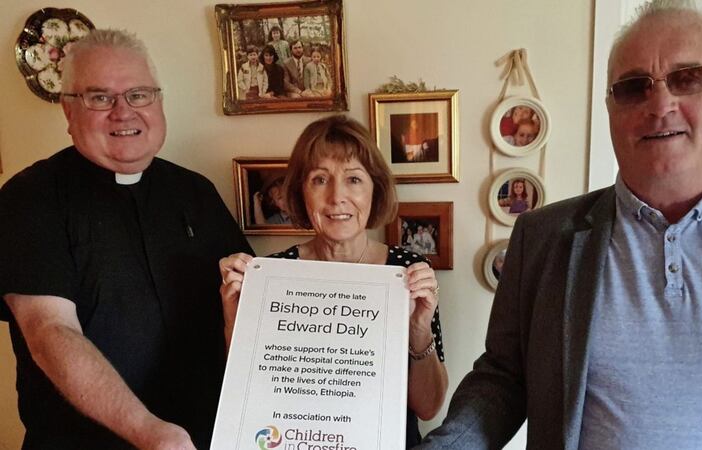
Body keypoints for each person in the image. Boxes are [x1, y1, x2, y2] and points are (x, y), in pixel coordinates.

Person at [419, 1, 702, 448]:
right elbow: (503, 379)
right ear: (610, 110)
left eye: (687, 78)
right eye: (634, 87)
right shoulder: (541, 238)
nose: (661, 104)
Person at [0, 29, 253, 449]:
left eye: (139, 95)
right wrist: (148, 431)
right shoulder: (30, 198)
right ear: (68, 110)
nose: (124, 112)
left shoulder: (196, 192)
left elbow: (250, 311)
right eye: (100, 98)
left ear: (158, 101)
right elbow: (48, 331)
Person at [219, 115, 448, 448]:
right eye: (320, 179)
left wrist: (418, 329)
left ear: (375, 189)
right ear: (300, 192)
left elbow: (428, 408)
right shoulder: (272, 275)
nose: (337, 196)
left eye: (354, 179)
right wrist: (234, 324)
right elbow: (247, 399)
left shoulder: (408, 271)